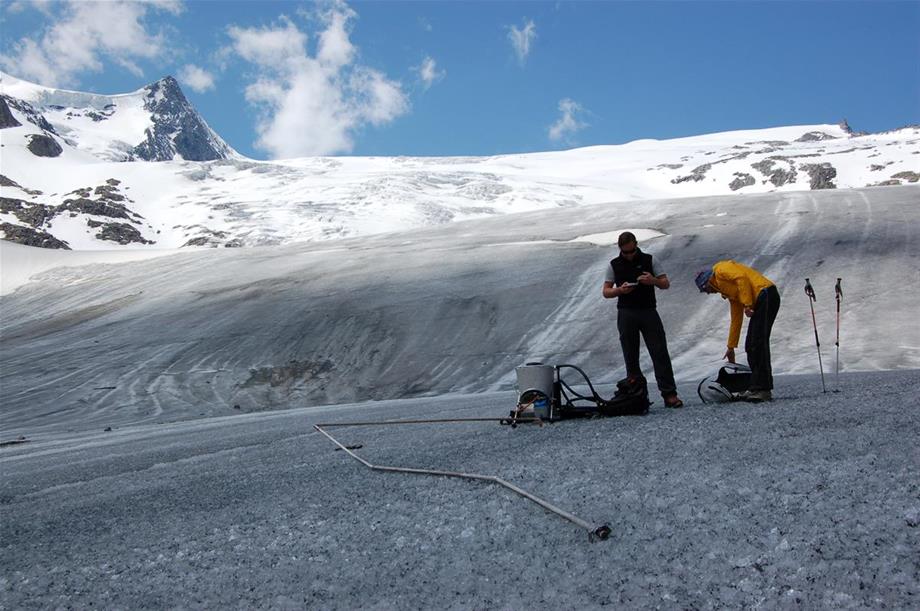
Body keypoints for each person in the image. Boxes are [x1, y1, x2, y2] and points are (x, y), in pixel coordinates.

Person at [603, 232, 683, 408]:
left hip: (648, 310)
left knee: (659, 351)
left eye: (632, 251)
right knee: (630, 354)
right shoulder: (614, 264)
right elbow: (606, 291)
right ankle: (637, 396)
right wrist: (619, 290)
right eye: (626, 252)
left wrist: (652, 280)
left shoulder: (649, 259)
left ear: (636, 245)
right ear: (620, 249)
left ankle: (669, 394)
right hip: (626, 312)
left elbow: (665, 283)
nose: (629, 255)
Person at [695, 261, 781, 402]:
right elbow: (736, 318)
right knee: (751, 345)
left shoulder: (720, 269)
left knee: (758, 343)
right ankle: (756, 387)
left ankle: (763, 389)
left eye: (705, 290)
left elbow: (741, 278)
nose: (709, 293)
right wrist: (731, 346)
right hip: (761, 298)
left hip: (765, 293)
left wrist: (747, 304)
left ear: (707, 283)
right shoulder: (729, 291)